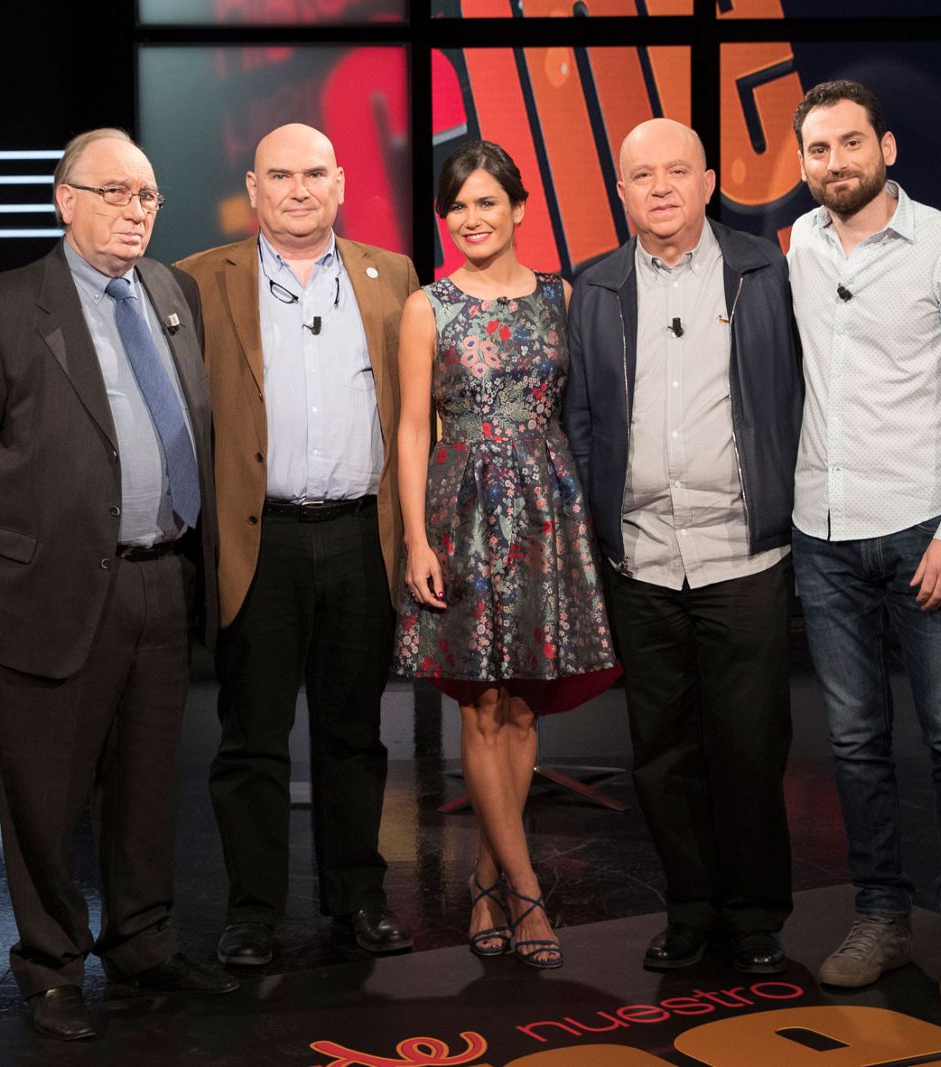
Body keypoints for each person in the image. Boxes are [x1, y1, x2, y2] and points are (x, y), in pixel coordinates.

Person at [0, 128, 237, 1041]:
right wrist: (21, 541)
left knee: (145, 784)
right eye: (113, 193)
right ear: (65, 200)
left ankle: (141, 940)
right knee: (46, 795)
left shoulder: (173, 293)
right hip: (53, 591)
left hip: (160, 580)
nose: (134, 211)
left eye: (146, 196)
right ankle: (50, 963)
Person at [174, 124, 419, 968]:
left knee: (355, 734)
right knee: (251, 741)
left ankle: (358, 899)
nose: (300, 188)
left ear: (341, 183)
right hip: (260, 541)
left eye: (315, 173)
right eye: (281, 175)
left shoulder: (393, 278)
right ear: (254, 188)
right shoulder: (200, 280)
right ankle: (253, 915)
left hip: (360, 536)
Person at [564, 118, 803, 974]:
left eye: (677, 171)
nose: (660, 187)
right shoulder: (595, 288)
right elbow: (584, 416)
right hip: (643, 558)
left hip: (746, 556)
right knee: (662, 753)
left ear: (709, 182)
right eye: (641, 175)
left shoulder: (765, 270)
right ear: (620, 191)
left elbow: (798, 396)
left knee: (746, 744)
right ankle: (691, 909)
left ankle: (753, 914)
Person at [786, 80, 941, 1004]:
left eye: (848, 144)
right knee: (853, 739)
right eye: (818, 151)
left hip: (925, 529)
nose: (834, 163)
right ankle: (880, 912)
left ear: (887, 148)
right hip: (823, 532)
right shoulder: (795, 244)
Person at [393, 141, 620, 970]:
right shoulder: (429, 305)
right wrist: (417, 537)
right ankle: (526, 889)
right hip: (464, 511)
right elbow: (414, 427)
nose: (471, 220)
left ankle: (487, 881)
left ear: (520, 208)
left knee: (523, 703)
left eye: (487, 202)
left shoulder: (562, 297)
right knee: (481, 702)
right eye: (457, 208)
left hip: (548, 508)